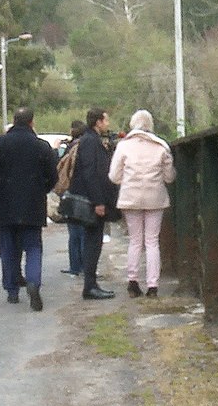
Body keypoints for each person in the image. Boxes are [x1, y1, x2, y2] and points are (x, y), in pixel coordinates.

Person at [0, 107, 58, 311]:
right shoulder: (42, 146)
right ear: (32, 122)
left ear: (13, 122)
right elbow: (53, 177)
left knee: (8, 249)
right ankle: (32, 281)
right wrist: (41, 189)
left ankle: (12, 290)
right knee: (33, 247)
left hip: (5, 205)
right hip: (33, 204)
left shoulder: (0, 144)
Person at [109, 110, 176, 298]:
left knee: (135, 240)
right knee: (152, 241)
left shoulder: (123, 147)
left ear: (132, 124)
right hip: (155, 198)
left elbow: (114, 176)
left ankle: (133, 282)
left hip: (131, 198)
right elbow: (169, 177)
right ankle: (153, 286)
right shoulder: (161, 147)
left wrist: (128, 180)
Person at [68, 107, 120, 300]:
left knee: (94, 242)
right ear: (98, 122)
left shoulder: (92, 140)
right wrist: (98, 201)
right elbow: (90, 173)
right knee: (92, 242)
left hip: (94, 199)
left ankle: (91, 284)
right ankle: (90, 286)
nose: (108, 123)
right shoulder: (90, 141)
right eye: (105, 120)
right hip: (92, 201)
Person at [55, 120, 86, 277]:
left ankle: (75, 266)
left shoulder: (69, 148)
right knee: (83, 232)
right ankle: (85, 266)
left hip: (69, 193)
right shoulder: (85, 147)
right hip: (83, 194)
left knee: (74, 233)